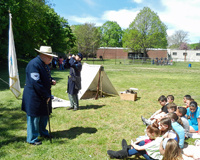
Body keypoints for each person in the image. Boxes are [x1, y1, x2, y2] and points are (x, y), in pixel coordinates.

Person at [21, 46, 57, 145]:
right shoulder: (34, 64)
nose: (51, 59)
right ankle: (32, 139)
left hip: (42, 95)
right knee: (34, 117)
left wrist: (51, 80)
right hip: (34, 96)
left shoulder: (43, 64)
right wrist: (46, 95)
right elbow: (36, 83)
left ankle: (43, 132)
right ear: (43, 55)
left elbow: (44, 76)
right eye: (49, 57)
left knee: (44, 114)